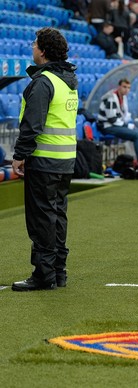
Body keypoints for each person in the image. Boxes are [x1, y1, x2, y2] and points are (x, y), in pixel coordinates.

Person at [11, 27, 78, 291]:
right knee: (58, 215)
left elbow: (33, 125)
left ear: (43, 51)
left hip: (45, 159)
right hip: (65, 160)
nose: (32, 47)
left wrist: (19, 155)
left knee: (42, 220)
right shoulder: (68, 79)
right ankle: (58, 271)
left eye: (34, 44)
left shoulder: (43, 82)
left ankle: (43, 275)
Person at [97, 78, 138, 163]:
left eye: (128, 88)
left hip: (115, 125)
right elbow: (112, 120)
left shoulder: (123, 97)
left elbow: (123, 116)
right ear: (119, 87)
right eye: (124, 87)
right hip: (107, 127)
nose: (126, 90)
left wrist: (128, 124)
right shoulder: (111, 98)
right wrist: (127, 126)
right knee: (137, 135)